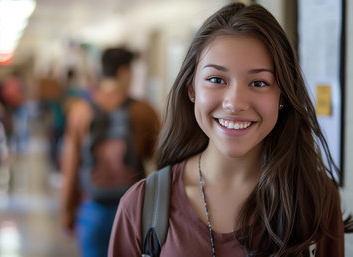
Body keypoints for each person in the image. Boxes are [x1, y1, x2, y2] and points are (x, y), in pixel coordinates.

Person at [108, 3, 351, 257]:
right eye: (216, 80)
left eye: (259, 83)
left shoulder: (316, 201)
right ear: (192, 88)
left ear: (283, 96)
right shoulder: (141, 207)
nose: (234, 103)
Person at [60, 47, 160, 257]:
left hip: (92, 208)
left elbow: (70, 167)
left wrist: (67, 213)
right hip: (135, 210)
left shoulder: (80, 111)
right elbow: (163, 161)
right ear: (124, 72)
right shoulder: (144, 110)